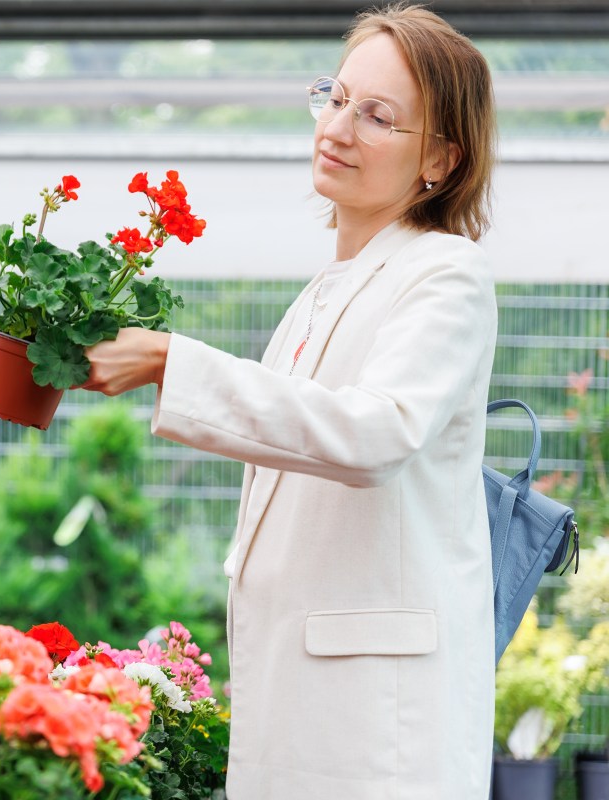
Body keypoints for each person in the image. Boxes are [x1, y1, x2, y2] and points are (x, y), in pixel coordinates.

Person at [81, 5, 498, 799]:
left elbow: (378, 433)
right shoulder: (322, 290)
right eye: (335, 97)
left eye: (377, 115)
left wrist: (174, 360)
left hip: (379, 726)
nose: (338, 127)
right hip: (298, 697)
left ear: (440, 160)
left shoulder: (447, 275)